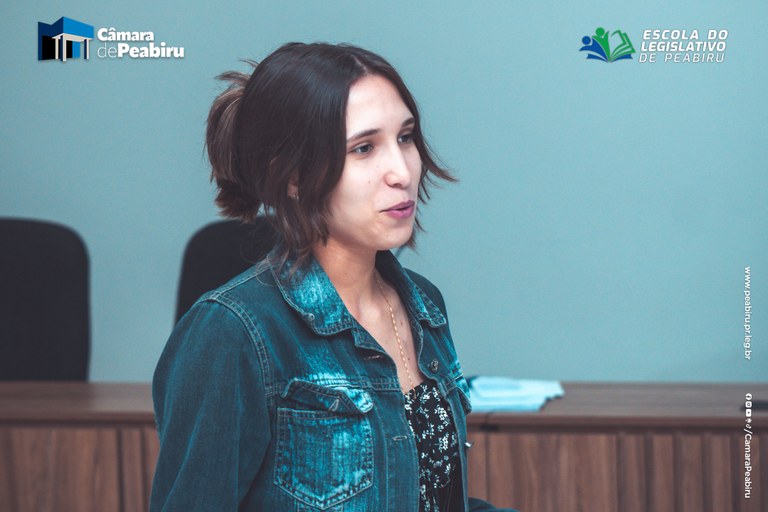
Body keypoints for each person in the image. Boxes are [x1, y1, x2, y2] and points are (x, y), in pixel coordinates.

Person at [151, 42, 516, 511]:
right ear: (293, 176)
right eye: (364, 148)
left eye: (405, 138)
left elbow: (425, 495)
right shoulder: (232, 332)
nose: (401, 172)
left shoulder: (424, 305)